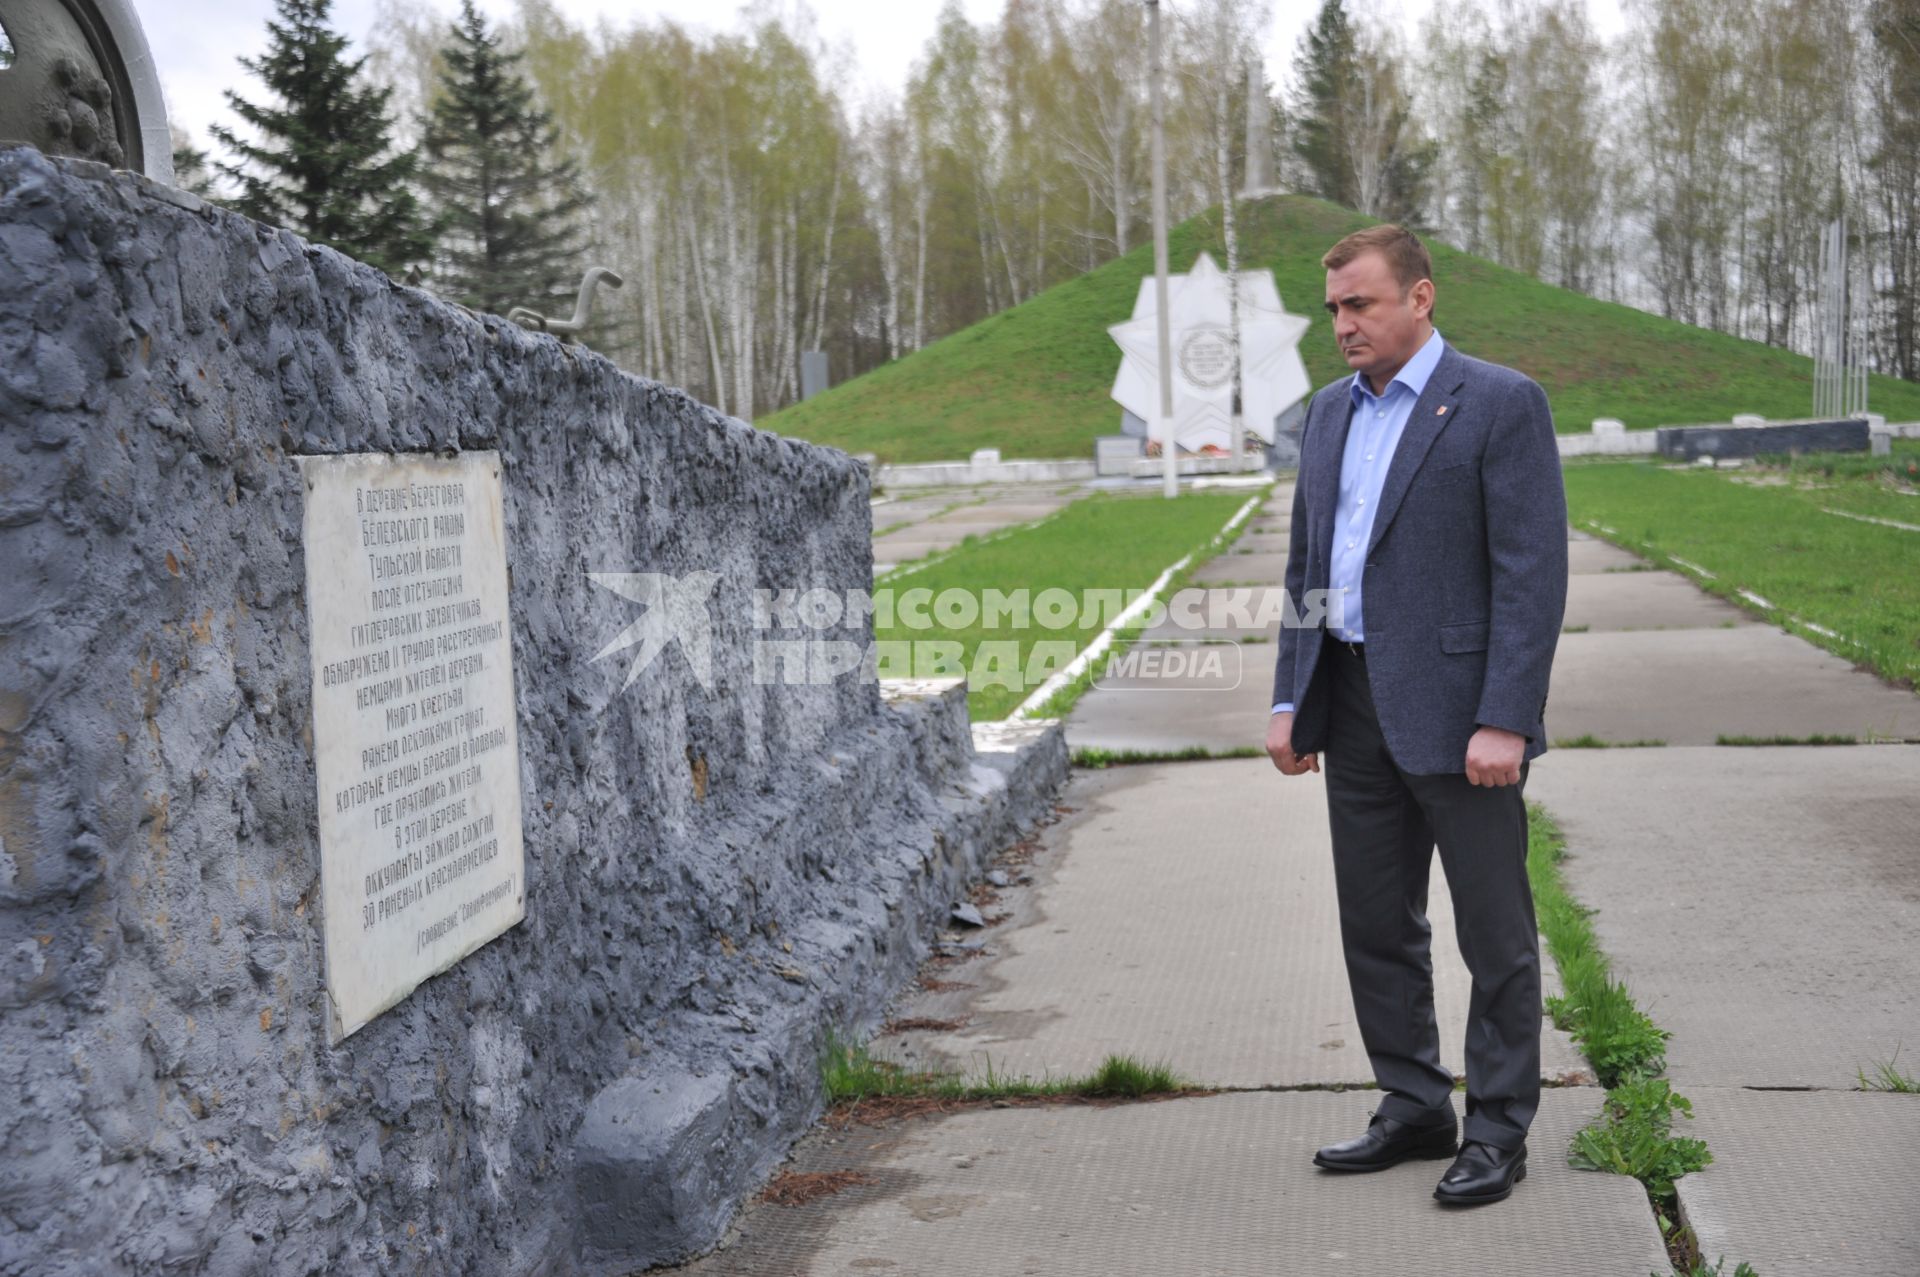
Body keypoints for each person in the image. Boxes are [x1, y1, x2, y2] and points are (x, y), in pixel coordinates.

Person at [1265, 224, 1568, 1207]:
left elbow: (1531, 575)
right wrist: (1290, 694)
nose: (1344, 325)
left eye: (1362, 304)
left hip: (1461, 714)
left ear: (1421, 297)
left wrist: (1506, 717)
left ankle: (1497, 1128)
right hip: (1349, 703)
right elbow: (1310, 566)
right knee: (1375, 923)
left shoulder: (1499, 403)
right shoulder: (1324, 415)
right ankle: (1412, 1102)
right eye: (1335, 309)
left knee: (1495, 932)